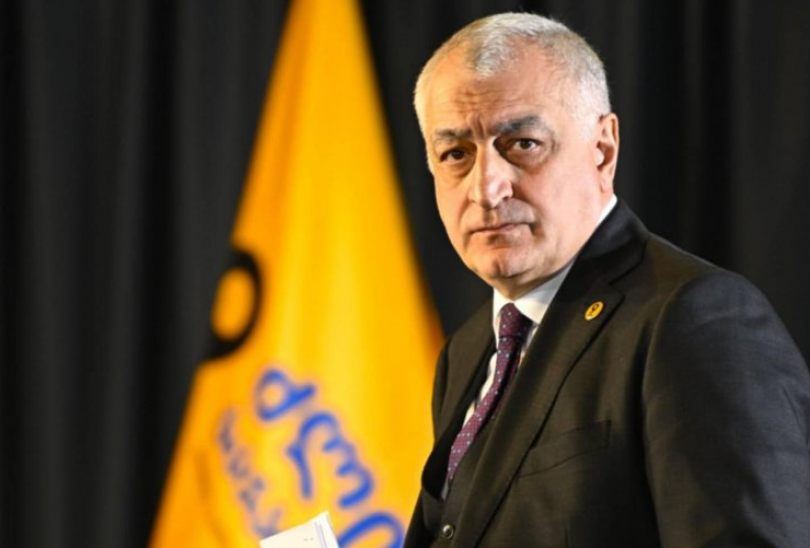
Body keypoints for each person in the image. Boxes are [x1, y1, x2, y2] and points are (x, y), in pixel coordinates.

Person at [404, 12, 810, 548]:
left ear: (603, 150)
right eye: (456, 154)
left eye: (521, 143)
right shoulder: (467, 352)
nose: (486, 188)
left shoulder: (696, 320)